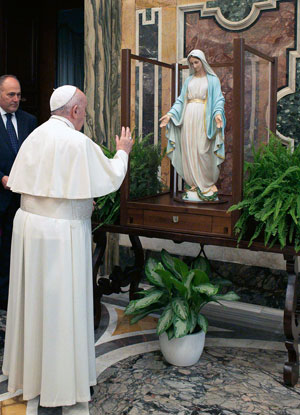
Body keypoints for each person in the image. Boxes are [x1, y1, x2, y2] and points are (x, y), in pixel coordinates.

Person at [2, 85, 133, 414]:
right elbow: (112, 175)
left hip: (30, 231)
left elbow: (46, 183)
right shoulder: (75, 141)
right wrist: (123, 151)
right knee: (62, 308)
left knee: (36, 305)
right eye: (85, 111)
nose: (85, 117)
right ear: (74, 111)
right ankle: (62, 382)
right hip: (61, 237)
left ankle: (33, 376)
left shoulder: (35, 135)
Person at [160, 49, 225, 202]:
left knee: (203, 151)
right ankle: (193, 184)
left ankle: (207, 184)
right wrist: (170, 115)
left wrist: (217, 114)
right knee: (189, 150)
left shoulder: (213, 80)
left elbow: (219, 99)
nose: (194, 66)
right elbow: (181, 101)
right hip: (188, 118)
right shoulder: (189, 81)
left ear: (203, 61)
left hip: (204, 118)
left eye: (196, 62)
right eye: (191, 63)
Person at [0, 75, 37, 309]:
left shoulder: (29, 121)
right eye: (10, 94)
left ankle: (15, 297)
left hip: (23, 199)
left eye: (18, 94)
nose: (16, 99)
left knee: (19, 249)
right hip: (1, 196)